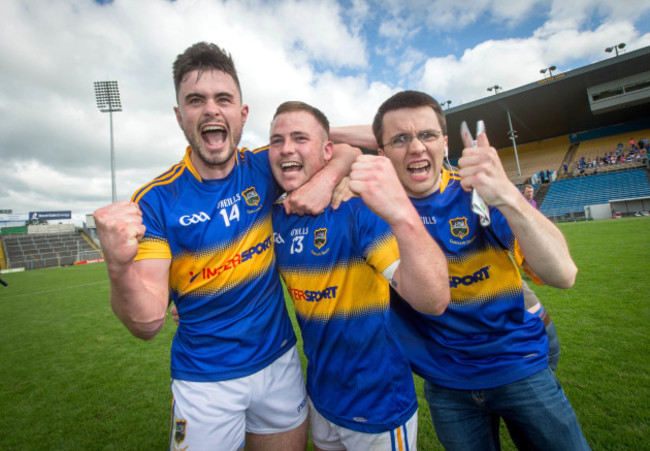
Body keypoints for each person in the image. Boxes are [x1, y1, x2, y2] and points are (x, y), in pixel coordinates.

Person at [92, 42, 357, 451]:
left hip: (279, 363)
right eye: (196, 101)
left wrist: (329, 175)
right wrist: (117, 267)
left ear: (242, 114)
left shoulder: (262, 165)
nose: (211, 110)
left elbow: (348, 145)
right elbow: (147, 323)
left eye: (223, 99)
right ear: (180, 117)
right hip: (205, 379)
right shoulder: (155, 200)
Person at [338, 90, 589, 450]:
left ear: (445, 142)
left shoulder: (475, 191)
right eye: (400, 139)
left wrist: (506, 194)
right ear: (382, 152)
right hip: (446, 380)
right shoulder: (373, 208)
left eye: (427, 135)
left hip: (517, 363)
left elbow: (563, 274)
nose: (416, 148)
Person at [267, 101, 450, 450]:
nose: (287, 148)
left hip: (379, 402)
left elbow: (431, 299)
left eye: (300, 138)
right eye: (277, 140)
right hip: (320, 398)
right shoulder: (275, 217)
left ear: (326, 150)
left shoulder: (356, 208)